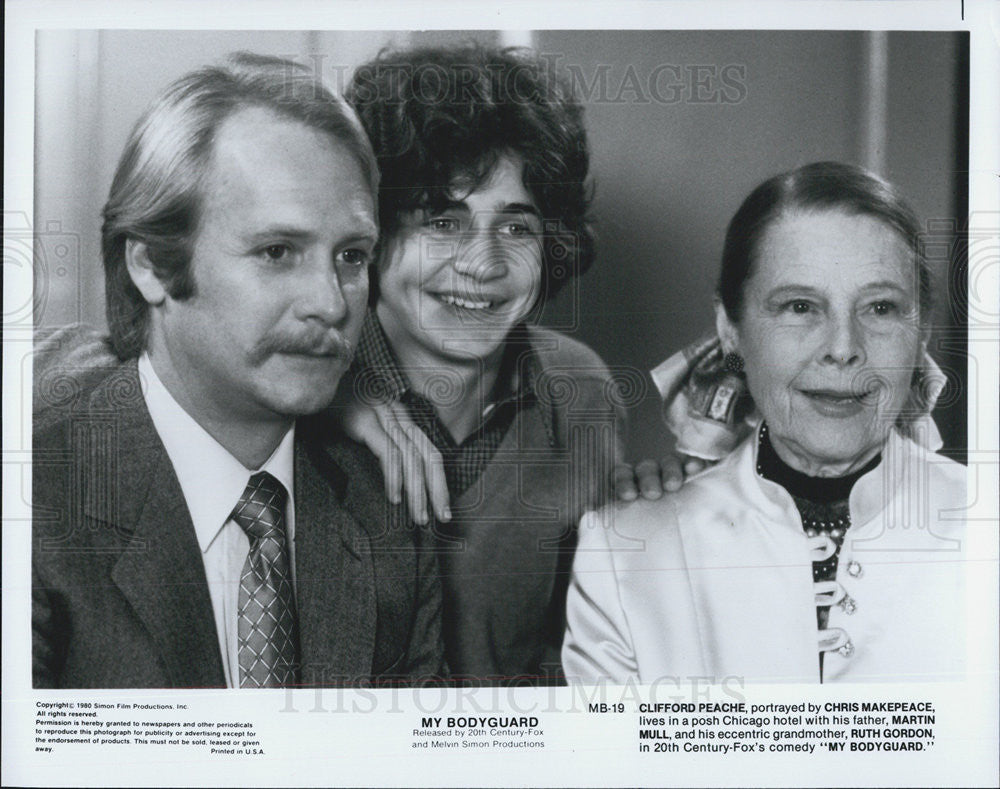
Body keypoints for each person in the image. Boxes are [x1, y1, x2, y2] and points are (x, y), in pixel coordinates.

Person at [31, 53, 445, 689]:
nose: (332, 303)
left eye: (353, 256)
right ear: (150, 265)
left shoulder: (389, 499)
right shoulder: (35, 507)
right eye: (277, 252)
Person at [342, 44, 676, 683]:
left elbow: (586, 648)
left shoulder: (581, 389)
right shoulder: (295, 372)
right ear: (373, 233)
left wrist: (654, 521)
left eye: (517, 228)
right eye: (442, 221)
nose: (483, 263)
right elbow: (110, 368)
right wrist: (329, 396)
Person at [562, 161, 966, 684]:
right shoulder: (622, 553)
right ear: (730, 330)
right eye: (800, 306)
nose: (843, 349)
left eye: (881, 308)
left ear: (922, 333)